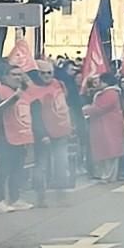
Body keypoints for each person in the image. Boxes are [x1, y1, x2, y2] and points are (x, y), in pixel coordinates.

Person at [31, 60, 74, 206]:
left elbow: (64, 106)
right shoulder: (33, 90)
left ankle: (61, 194)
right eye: (43, 73)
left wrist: (69, 126)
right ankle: (40, 195)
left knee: (61, 163)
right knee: (41, 164)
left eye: (49, 73)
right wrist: (42, 134)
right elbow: (35, 115)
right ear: (38, 74)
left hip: (61, 131)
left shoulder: (59, 85)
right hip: (43, 134)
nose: (46, 76)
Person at [0, 65, 34, 213]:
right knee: (3, 169)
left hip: (21, 134)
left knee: (18, 169)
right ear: (5, 76)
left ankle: (15, 198)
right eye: (14, 74)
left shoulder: (23, 91)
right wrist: (15, 96)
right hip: (5, 135)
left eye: (19, 75)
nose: (17, 77)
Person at [85, 73, 124, 183]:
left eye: (100, 81)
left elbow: (100, 108)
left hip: (108, 127)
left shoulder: (111, 93)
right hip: (105, 126)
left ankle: (108, 176)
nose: (98, 84)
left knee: (110, 153)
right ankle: (107, 175)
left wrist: (86, 110)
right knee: (107, 152)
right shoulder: (106, 93)